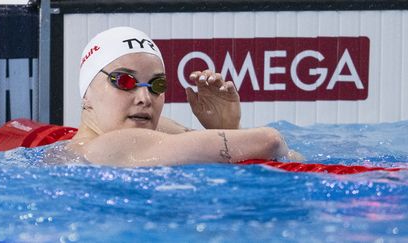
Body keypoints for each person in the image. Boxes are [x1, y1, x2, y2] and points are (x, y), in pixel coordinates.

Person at [66, 26, 302, 167]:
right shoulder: (109, 146)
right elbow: (271, 142)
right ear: (86, 93)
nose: (145, 98)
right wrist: (236, 132)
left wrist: (227, 127)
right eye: (125, 81)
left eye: (157, 85)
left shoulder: (79, 149)